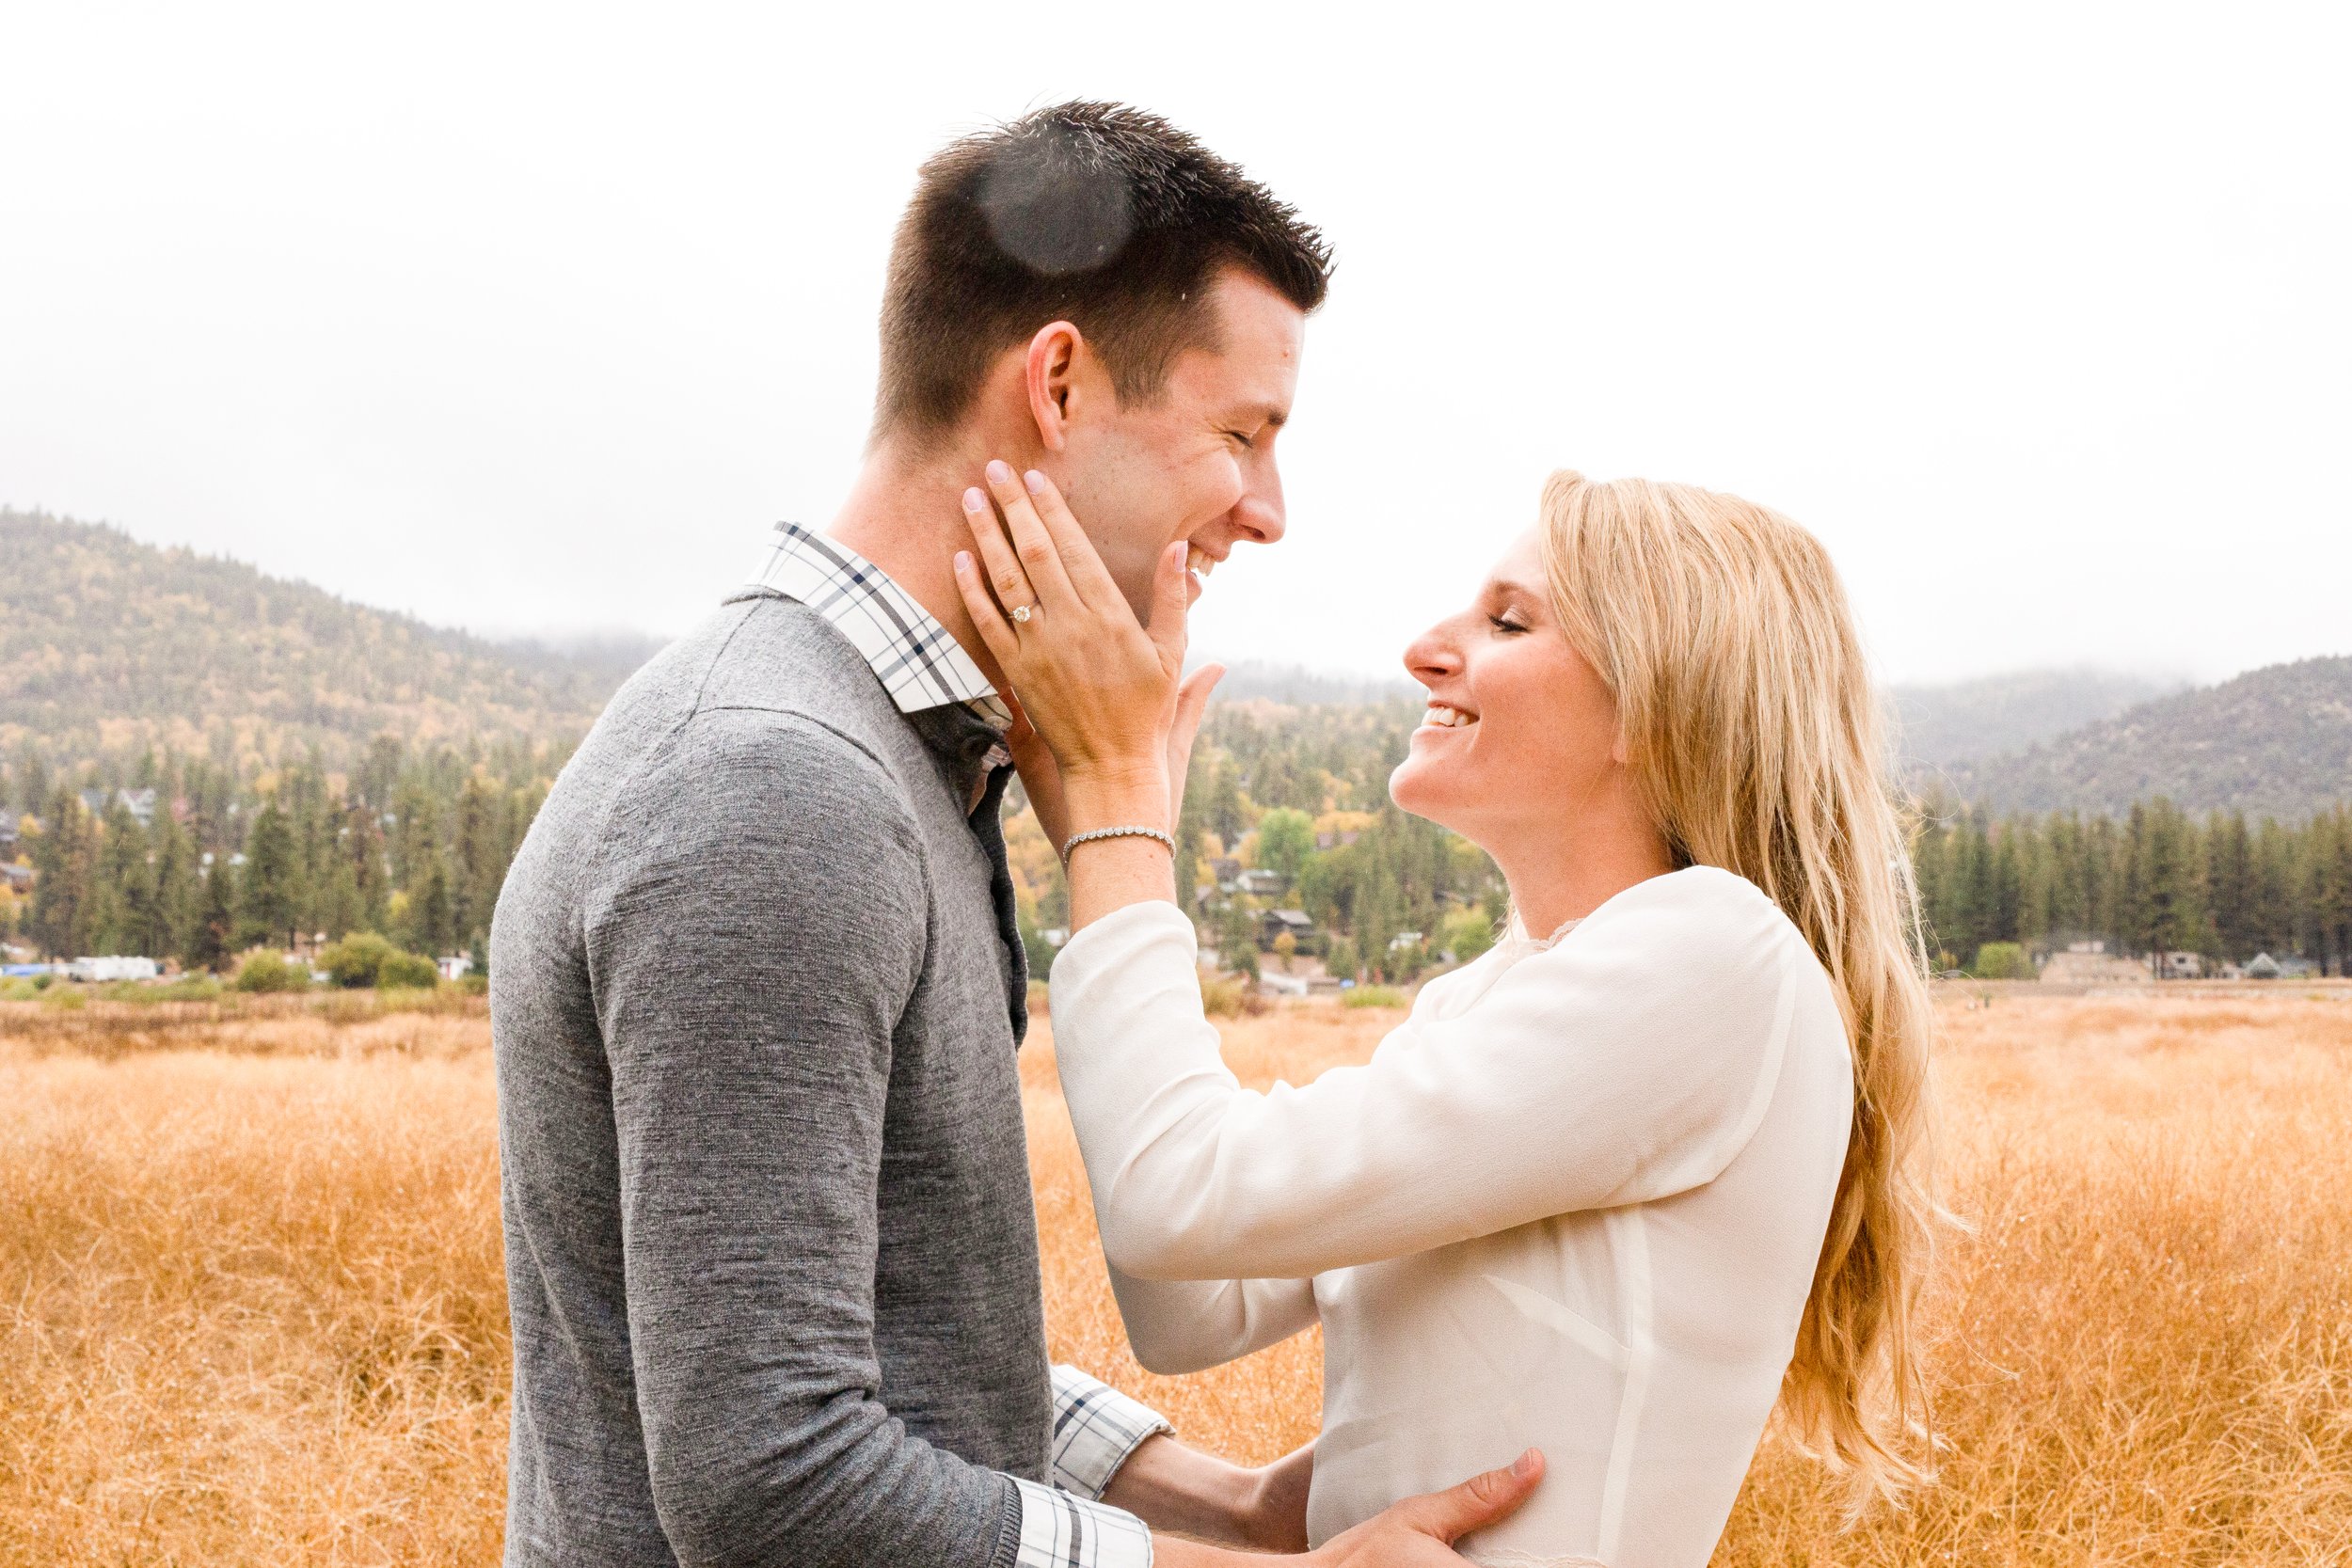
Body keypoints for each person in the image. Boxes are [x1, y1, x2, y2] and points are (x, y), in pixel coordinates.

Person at [491, 102, 1541, 1568]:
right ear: (1057, 382)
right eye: (1240, 433)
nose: (1270, 509)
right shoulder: (774, 787)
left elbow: (899, 1345)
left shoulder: (890, 759)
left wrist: (1235, 1500)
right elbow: (772, 1471)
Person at [950, 465, 1937, 1568]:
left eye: (1508, 620)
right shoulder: (1486, 998)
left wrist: (1120, 821)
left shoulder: (1715, 954)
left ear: (1658, 703)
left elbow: (1174, 1198)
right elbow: (1190, 1301)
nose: (1427, 645)